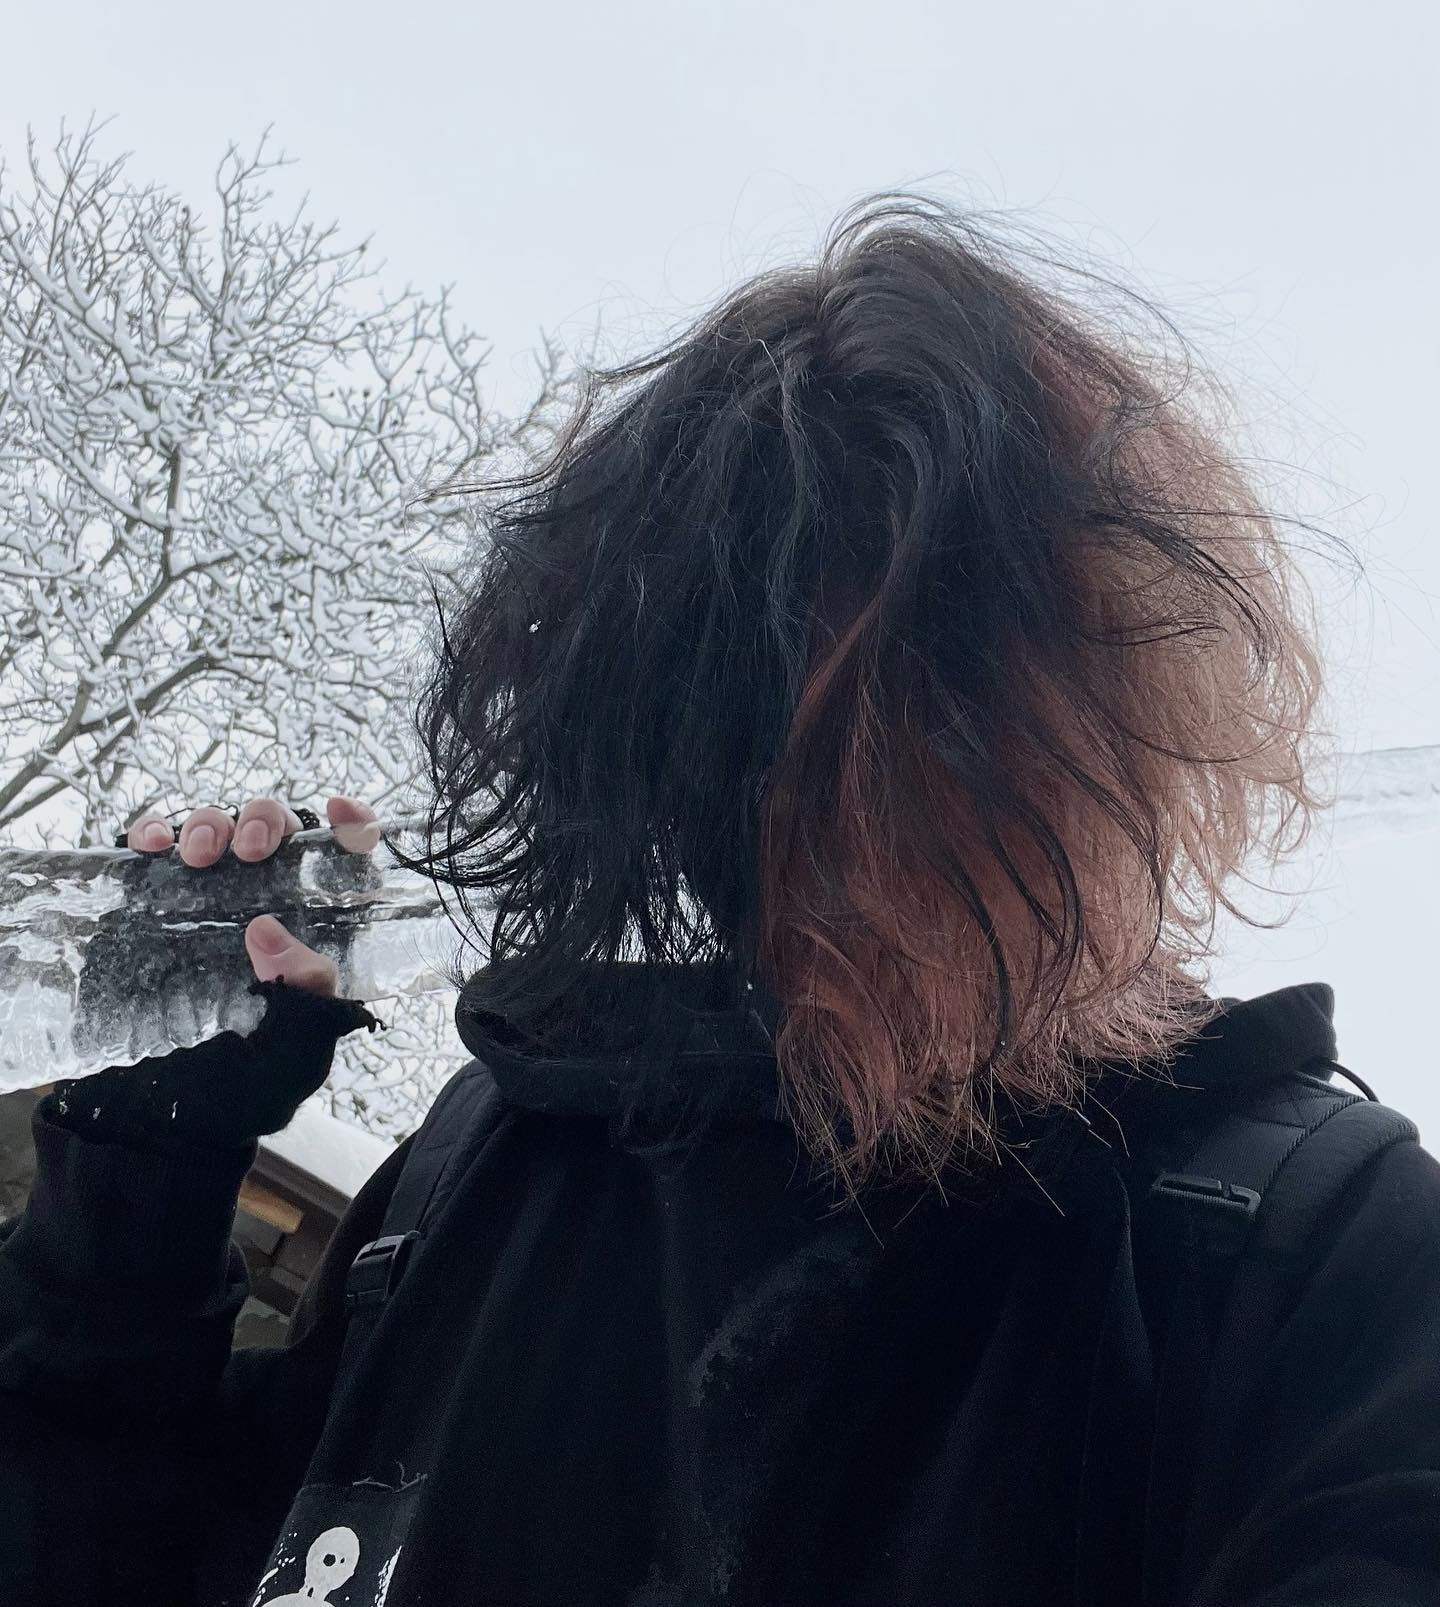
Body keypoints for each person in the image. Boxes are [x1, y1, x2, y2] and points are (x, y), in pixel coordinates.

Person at [2, 196, 1437, 1607]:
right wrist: (134, 1198)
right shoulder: (486, 1161)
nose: (833, 835)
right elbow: (102, 1557)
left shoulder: (1302, 1256)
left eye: (939, 724)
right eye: (747, 730)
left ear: (1124, 721)